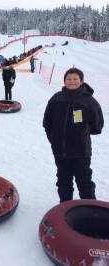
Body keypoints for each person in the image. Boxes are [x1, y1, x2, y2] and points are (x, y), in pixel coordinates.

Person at [43, 68, 104, 202]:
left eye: (75, 79)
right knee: (63, 181)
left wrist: (82, 135)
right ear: (64, 81)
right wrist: (53, 139)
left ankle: (90, 208)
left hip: (81, 151)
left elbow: (97, 125)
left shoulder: (89, 101)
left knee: (84, 181)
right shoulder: (56, 98)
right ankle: (65, 206)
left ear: (81, 81)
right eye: (68, 79)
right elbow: (47, 121)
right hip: (60, 151)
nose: (71, 81)